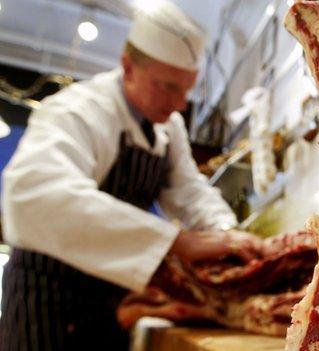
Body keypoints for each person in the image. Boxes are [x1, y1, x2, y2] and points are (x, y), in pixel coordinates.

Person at [0, 2, 261, 350]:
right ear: (128, 67)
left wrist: (228, 236)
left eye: (187, 89)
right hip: (47, 299)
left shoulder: (169, 126)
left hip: (113, 303)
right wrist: (177, 242)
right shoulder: (78, 109)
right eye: (167, 86)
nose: (179, 103)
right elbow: (35, 195)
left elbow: (189, 192)